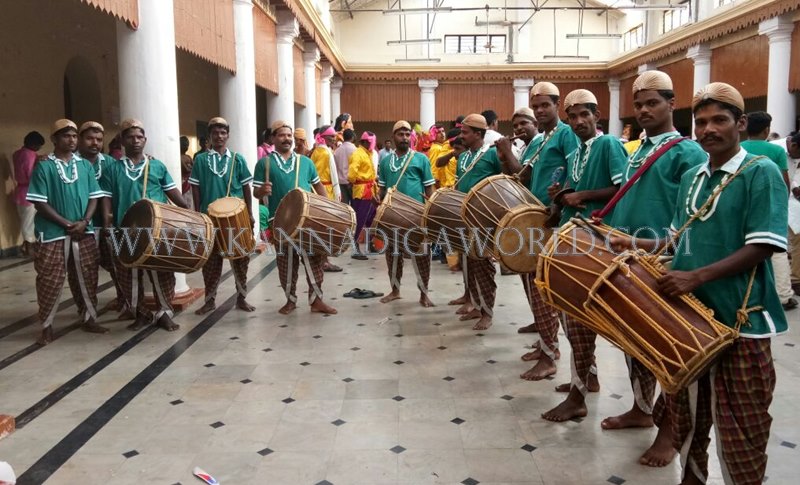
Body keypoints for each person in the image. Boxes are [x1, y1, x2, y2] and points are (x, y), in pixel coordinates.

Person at [611, 82, 787, 485]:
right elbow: (680, 238)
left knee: (743, 428)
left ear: (740, 124)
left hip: (741, 321)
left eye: (719, 120)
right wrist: (634, 243)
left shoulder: (760, 172)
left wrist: (696, 276)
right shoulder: (693, 176)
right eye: (702, 121)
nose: (708, 129)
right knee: (688, 418)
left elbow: (763, 245)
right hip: (690, 318)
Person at [602, 71, 708, 468]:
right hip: (627, 258)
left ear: (671, 104)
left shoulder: (687, 152)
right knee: (635, 344)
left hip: (662, 261)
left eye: (653, 103)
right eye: (639, 104)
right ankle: (641, 408)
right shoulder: (637, 149)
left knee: (668, 348)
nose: (644, 110)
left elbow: (690, 218)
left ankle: (668, 432)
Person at [541, 88, 626, 423]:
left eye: (584, 115)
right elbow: (577, 191)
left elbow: (622, 188)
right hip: (574, 237)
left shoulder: (609, 144)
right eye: (572, 117)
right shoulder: (577, 151)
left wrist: (583, 195)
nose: (578, 121)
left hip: (596, 242)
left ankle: (578, 397)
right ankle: (587, 378)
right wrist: (563, 196)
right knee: (572, 318)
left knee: (577, 319)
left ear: (596, 116)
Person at [100, 119, 187, 331]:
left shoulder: (156, 166)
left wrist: (188, 211)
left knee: (162, 271)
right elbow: (106, 198)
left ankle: (164, 313)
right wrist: (107, 223)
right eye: (130, 137)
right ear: (122, 140)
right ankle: (141, 313)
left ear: (145, 140)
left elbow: (172, 191)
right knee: (129, 275)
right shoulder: (113, 169)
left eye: (140, 137)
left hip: (156, 229)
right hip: (125, 230)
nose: (136, 140)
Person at [495, 107, 561, 381]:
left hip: (545, 220)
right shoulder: (534, 145)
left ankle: (550, 351)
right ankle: (545, 340)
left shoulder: (550, 139)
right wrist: (505, 156)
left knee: (541, 287)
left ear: (536, 123)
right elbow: (516, 178)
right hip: (532, 219)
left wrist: (507, 151)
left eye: (524, 123)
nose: (519, 128)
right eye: (515, 125)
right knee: (531, 283)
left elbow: (521, 175)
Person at [26, 119, 106, 344]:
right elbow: (39, 202)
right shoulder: (44, 166)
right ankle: (46, 326)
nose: (71, 140)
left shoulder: (85, 166)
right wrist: (67, 224)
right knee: (49, 279)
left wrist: (85, 221)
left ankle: (89, 317)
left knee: (87, 276)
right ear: (54, 139)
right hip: (53, 232)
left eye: (73, 136)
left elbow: (94, 197)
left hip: (83, 230)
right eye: (65, 135)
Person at [253, 121, 337, 315]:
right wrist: (261, 191)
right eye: (282, 135)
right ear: (273, 138)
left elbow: (319, 186)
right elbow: (256, 193)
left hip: (307, 219)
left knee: (314, 260)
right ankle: (290, 300)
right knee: (286, 263)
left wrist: (327, 209)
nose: (287, 139)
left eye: (289, 135)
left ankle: (316, 300)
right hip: (280, 221)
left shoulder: (305, 162)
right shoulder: (264, 163)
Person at [516, 81, 579, 337]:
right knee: (533, 278)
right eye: (536, 107)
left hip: (554, 217)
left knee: (544, 281)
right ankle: (544, 337)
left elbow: (573, 170)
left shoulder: (565, 133)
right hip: (537, 214)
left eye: (545, 105)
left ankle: (549, 348)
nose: (540, 110)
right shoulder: (542, 139)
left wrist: (557, 203)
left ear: (557, 105)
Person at [190, 117, 256, 315]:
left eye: (223, 132)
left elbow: (246, 187)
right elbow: (195, 188)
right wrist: (198, 214)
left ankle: (242, 298)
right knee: (211, 263)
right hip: (210, 218)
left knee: (240, 259)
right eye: (215, 133)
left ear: (228, 135)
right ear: (209, 136)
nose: (219, 136)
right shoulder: (200, 160)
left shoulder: (237, 159)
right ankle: (209, 301)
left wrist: (249, 214)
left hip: (236, 218)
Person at [447, 114, 501, 330]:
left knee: (484, 265)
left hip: (485, 217)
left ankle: (488, 313)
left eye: (465, 132)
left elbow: (504, 182)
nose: (461, 136)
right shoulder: (462, 158)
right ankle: (477, 306)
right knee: (471, 264)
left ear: (478, 134)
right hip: (465, 217)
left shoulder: (492, 154)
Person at [377, 121, 436, 307]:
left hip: (417, 215)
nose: (404, 137)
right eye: (400, 134)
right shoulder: (385, 162)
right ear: (393, 136)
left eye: (407, 134)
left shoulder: (421, 159)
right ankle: (395, 291)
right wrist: (378, 200)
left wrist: (431, 211)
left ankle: (424, 294)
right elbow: (381, 190)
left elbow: (429, 189)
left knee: (422, 257)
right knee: (392, 256)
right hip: (392, 216)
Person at [741, 111, 796, 310]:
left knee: (744, 248)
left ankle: (747, 294)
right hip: (769, 206)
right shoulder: (776, 151)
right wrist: (781, 205)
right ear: (766, 130)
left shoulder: (738, 148)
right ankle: (783, 296)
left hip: (742, 205)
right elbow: (783, 182)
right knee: (776, 251)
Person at [77, 121, 126, 315]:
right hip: (82, 226)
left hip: (108, 224)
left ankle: (123, 301)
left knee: (117, 265)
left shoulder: (111, 162)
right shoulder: (71, 163)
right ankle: (87, 311)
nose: (94, 143)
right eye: (89, 138)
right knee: (85, 270)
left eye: (98, 139)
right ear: (80, 139)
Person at [12, 131, 45, 257]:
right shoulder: (31, 155)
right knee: (30, 222)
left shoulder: (17, 153)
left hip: (19, 192)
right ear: (33, 144)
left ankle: (26, 246)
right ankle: (29, 248)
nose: (39, 148)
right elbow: (31, 175)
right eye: (38, 145)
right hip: (29, 192)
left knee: (25, 220)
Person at [348, 131, 378, 259]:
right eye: (371, 142)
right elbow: (351, 174)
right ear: (365, 142)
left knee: (371, 218)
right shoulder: (358, 153)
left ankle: (370, 243)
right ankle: (355, 248)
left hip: (369, 189)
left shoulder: (366, 153)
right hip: (362, 191)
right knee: (360, 219)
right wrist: (356, 182)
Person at [334, 128, 357, 203]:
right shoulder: (356, 150)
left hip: (340, 182)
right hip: (352, 183)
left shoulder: (337, 151)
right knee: (354, 205)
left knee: (344, 206)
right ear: (352, 137)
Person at [180, 136, 194, 210]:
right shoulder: (179, 157)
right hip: (183, 182)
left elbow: (193, 168)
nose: (186, 146)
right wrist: (190, 168)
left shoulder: (188, 157)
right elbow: (187, 169)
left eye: (187, 145)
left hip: (189, 183)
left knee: (189, 201)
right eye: (184, 144)